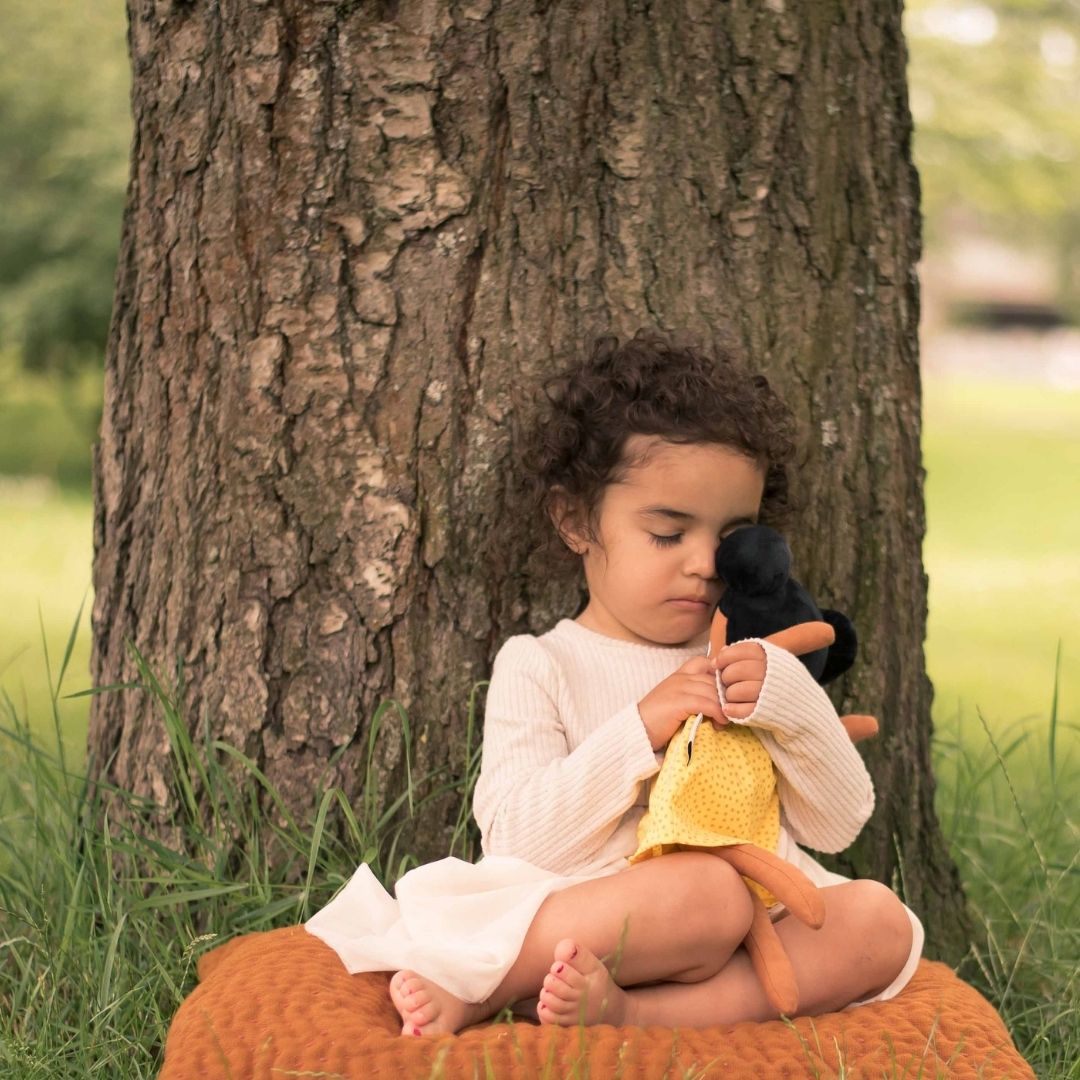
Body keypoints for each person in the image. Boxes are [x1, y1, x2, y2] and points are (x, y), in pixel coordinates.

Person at [306, 328, 923, 1037]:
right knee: (708, 893)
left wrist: (790, 700)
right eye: (668, 534)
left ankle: (638, 1014)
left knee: (882, 923)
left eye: (729, 540)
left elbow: (839, 825)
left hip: (757, 919)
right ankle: (485, 983)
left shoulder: (748, 661)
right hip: (607, 915)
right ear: (575, 521)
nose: (704, 565)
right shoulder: (541, 663)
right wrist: (639, 729)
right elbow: (514, 839)